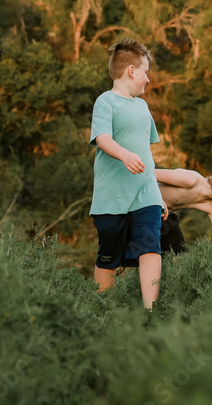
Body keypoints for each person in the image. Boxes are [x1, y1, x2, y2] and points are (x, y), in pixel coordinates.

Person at [89, 38, 165, 309]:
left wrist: (158, 195)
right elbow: (102, 139)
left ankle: (151, 312)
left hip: (145, 194)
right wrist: (124, 155)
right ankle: (104, 313)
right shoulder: (105, 102)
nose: (148, 79)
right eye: (145, 72)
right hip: (112, 198)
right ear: (131, 71)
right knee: (108, 258)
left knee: (151, 247)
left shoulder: (143, 107)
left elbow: (146, 153)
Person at [155, 164, 212, 252]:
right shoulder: (191, 180)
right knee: (150, 252)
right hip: (148, 205)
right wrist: (156, 199)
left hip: (163, 217)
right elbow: (149, 174)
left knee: (180, 255)